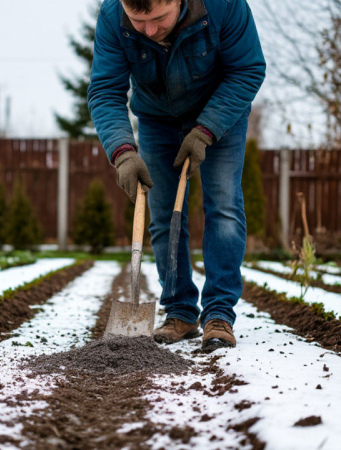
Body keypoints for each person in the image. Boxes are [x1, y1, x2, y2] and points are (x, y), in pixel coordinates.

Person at [88, 0, 265, 351]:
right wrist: (123, 152)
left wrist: (205, 131)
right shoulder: (112, 16)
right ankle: (180, 311)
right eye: (139, 22)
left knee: (224, 208)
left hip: (220, 111)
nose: (149, 31)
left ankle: (218, 314)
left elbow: (247, 69)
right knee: (163, 214)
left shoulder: (224, 6)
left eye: (158, 19)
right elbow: (105, 91)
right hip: (156, 119)